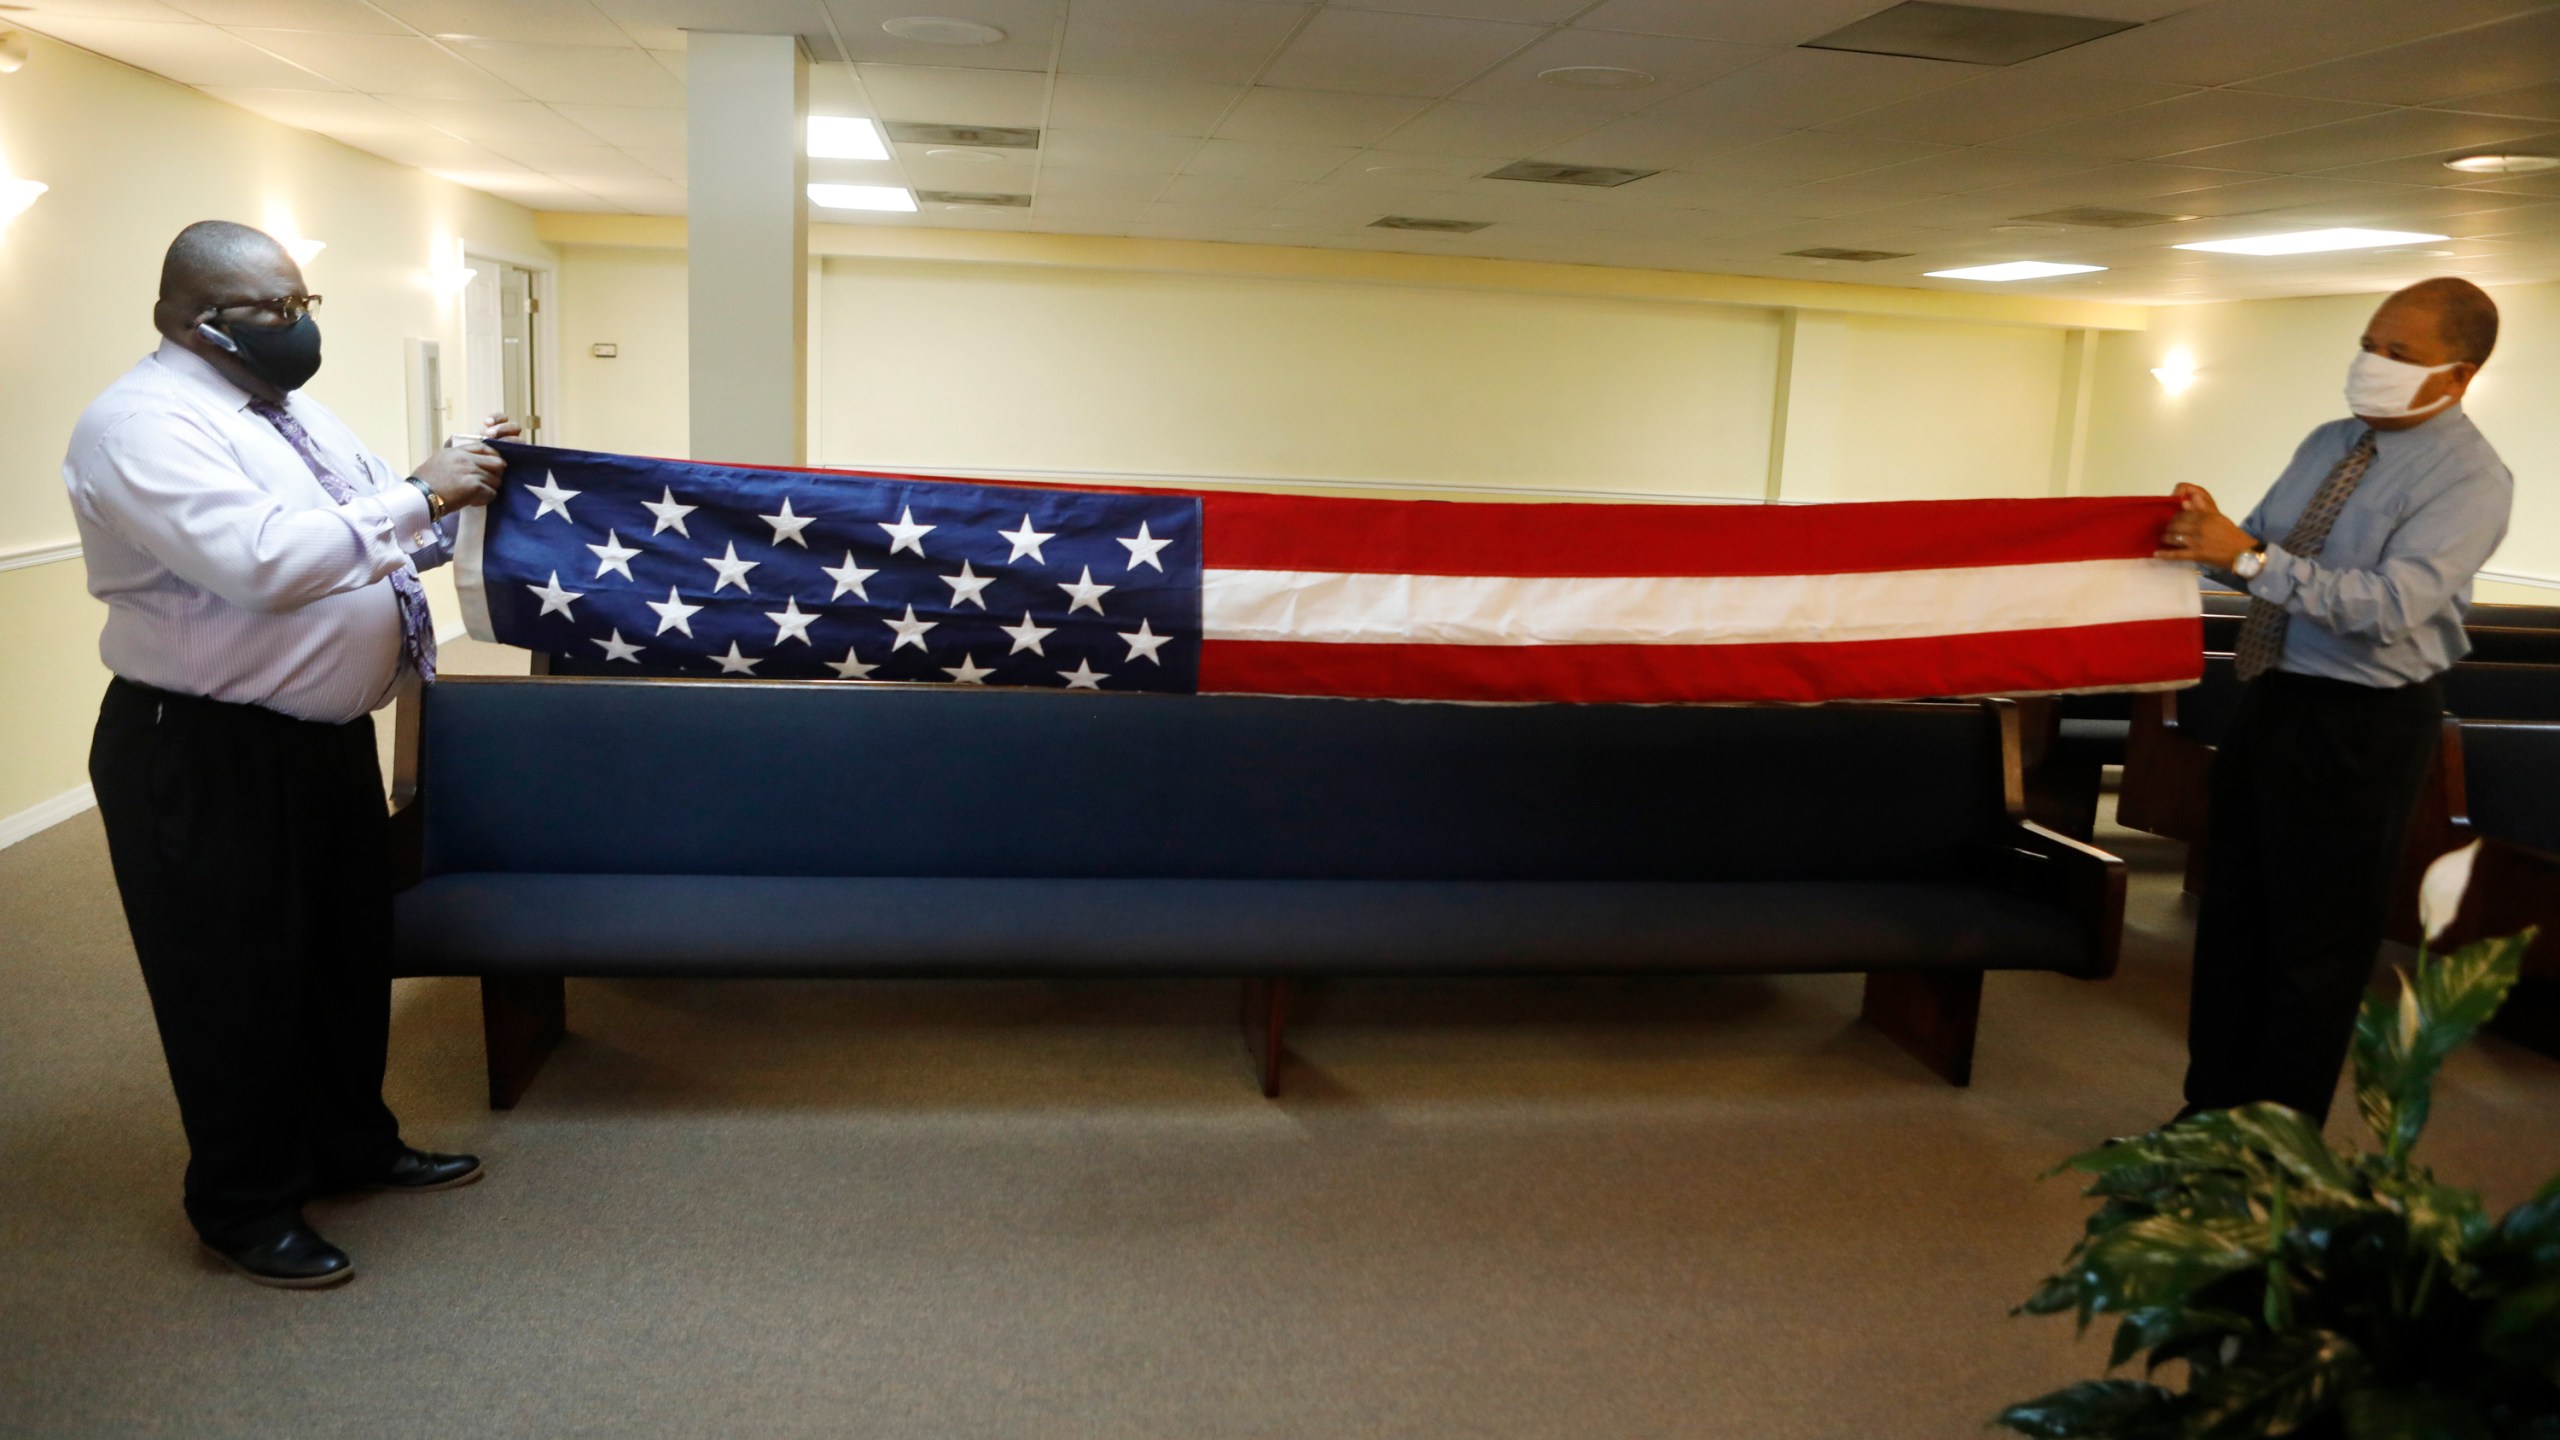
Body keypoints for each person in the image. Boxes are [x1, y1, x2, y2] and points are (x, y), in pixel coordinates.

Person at [65, 220, 515, 1287]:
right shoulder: (140, 424)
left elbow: (374, 520)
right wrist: (422, 494)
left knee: (342, 960)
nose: (295, 327)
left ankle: (352, 1144)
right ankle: (244, 1203)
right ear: (187, 317)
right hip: (203, 748)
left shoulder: (288, 413)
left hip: (318, 743)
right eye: (271, 310)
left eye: (303, 304)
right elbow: (263, 562)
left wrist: (448, 486)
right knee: (232, 980)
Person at [2153, 277, 2512, 1125]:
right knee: (2234, 921)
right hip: (2273, 697)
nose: (2372, 364)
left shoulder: (2471, 479)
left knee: (2312, 949)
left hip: (2364, 725)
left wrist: (2245, 559)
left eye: (2400, 355)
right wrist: (2203, 534)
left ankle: (2275, 1144)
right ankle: (2205, 1122)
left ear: (2457, 377)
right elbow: (2265, 545)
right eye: (2369, 343)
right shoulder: (2330, 441)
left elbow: (2388, 608)